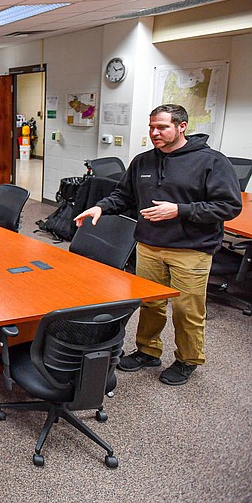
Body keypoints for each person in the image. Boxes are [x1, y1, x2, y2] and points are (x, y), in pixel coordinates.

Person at [74, 104, 242, 386]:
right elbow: (123, 195)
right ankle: (147, 350)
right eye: (151, 127)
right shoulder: (142, 161)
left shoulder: (211, 161)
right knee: (150, 304)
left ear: (182, 126)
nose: (154, 133)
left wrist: (180, 210)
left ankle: (188, 360)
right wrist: (100, 208)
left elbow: (228, 206)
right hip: (149, 245)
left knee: (187, 310)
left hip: (191, 249)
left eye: (162, 127)